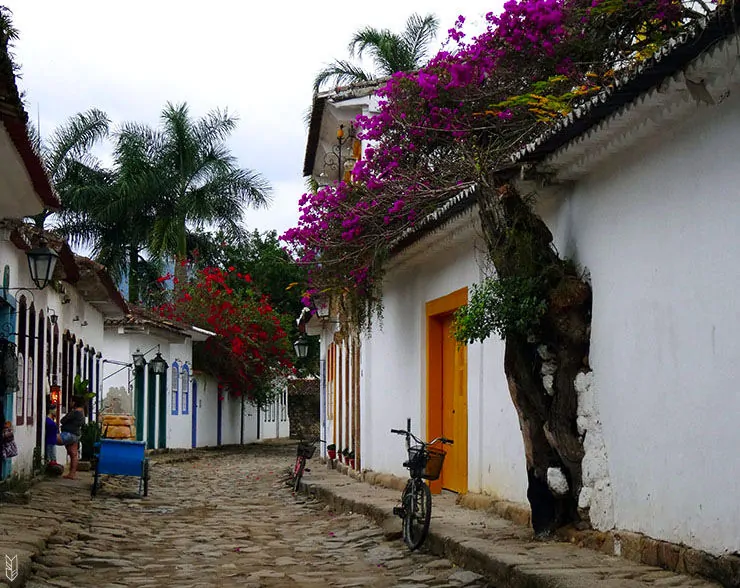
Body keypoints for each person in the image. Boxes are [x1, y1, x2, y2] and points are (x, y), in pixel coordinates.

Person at [58, 397, 86, 480]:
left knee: (52, 439)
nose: (70, 403)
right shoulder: (82, 412)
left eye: (70, 401)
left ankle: (51, 461)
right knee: (73, 454)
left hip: (69, 434)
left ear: (74, 402)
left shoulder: (75, 412)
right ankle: (72, 474)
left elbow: (63, 420)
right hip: (76, 434)